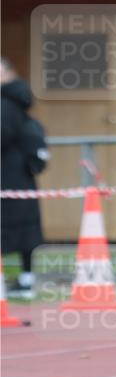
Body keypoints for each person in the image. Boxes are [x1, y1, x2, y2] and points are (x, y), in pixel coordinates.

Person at [1, 57, 45, 299]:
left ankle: (25, 282)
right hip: (22, 177)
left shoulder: (5, 106)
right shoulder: (19, 101)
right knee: (26, 229)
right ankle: (27, 279)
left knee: (8, 227)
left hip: (7, 178)